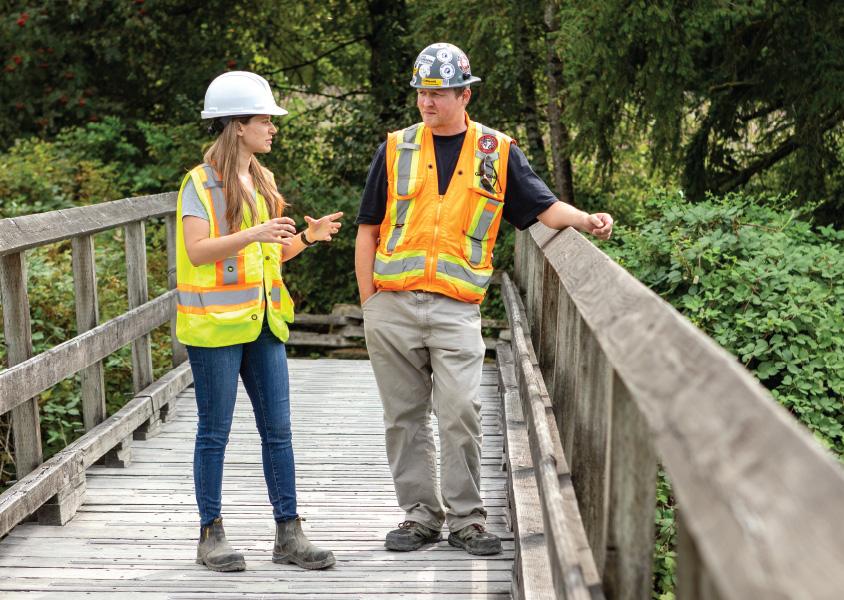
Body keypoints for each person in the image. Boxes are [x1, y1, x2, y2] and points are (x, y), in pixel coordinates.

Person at [354, 43, 613, 556]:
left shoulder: (496, 152)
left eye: (437, 94)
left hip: (455, 310)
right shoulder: (396, 148)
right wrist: (369, 304)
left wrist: (585, 220)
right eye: (421, 94)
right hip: (393, 307)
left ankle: (468, 519)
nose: (426, 103)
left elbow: (541, 207)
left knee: (460, 412)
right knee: (403, 419)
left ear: (464, 94)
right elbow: (368, 229)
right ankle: (420, 517)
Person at [176, 71, 342, 572]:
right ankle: (211, 536)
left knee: (279, 431)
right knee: (214, 432)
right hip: (215, 329)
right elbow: (198, 250)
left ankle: (289, 535)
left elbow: (270, 254)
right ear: (237, 125)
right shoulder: (198, 184)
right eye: (265, 119)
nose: (272, 127)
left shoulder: (262, 180)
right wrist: (254, 234)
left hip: (265, 324)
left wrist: (306, 238)